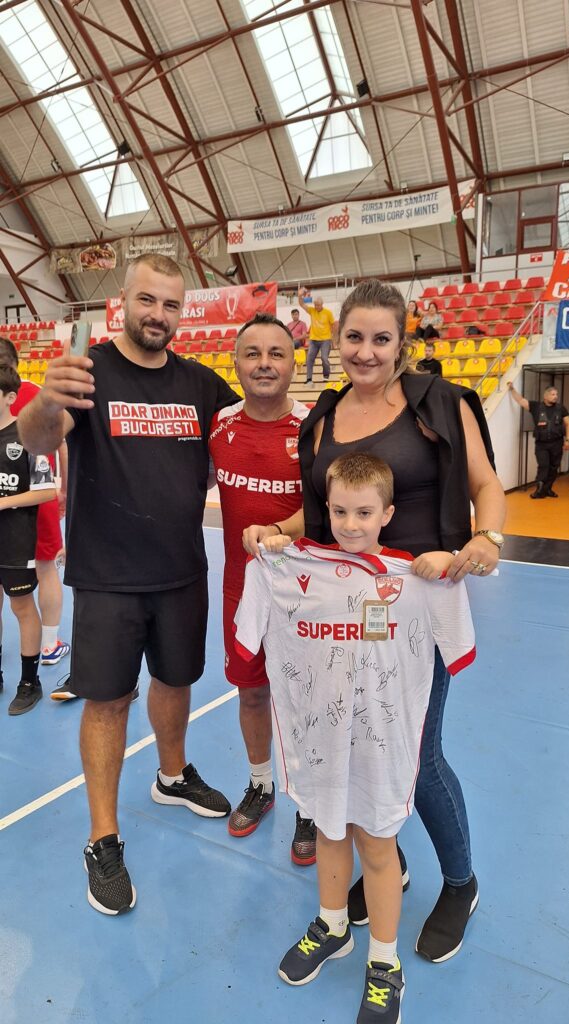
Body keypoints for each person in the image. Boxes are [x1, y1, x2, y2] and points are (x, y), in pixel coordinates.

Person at [243, 278, 506, 963]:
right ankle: (392, 861)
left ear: (401, 342)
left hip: (418, 606)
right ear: (338, 341)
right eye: (354, 337)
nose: (366, 351)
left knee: (416, 755)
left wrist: (485, 539)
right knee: (358, 744)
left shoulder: (440, 403)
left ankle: (461, 882)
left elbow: (485, 485)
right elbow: (320, 509)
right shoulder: (324, 418)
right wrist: (276, 531)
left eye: (380, 338)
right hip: (341, 613)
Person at [18, 253, 239, 915]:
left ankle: (171, 776)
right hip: (109, 577)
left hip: (181, 571)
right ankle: (103, 838)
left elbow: (255, 431)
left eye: (171, 304)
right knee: (108, 702)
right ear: (123, 301)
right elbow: (38, 440)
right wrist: (47, 400)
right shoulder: (88, 373)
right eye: (148, 300)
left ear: (182, 312)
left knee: (176, 681)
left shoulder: (199, 383)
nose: (158, 315)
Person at [235, 453, 476, 1023]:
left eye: (364, 513)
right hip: (319, 740)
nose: (349, 524)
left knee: (377, 845)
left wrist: (450, 568)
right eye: (339, 511)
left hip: (382, 746)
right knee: (328, 830)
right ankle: (334, 924)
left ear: (387, 514)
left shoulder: (418, 580)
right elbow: (248, 638)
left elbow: (459, 647)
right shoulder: (283, 568)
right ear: (325, 508)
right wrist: (270, 546)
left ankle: (385, 964)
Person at [208, 312, 316, 862]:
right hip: (241, 590)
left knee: (305, 700)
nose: (265, 364)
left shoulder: (314, 427)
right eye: (253, 353)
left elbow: (329, 506)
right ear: (236, 363)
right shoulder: (219, 426)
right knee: (251, 693)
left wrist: (278, 530)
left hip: (306, 594)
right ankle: (261, 784)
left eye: (277, 353)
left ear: (294, 362)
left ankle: (310, 803)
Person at [0, 339, 71, 676]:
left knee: (22, 576)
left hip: (24, 494)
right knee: (45, 568)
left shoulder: (30, 394)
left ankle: (39, 649)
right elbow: (61, 444)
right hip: (36, 493)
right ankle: (49, 644)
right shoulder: (37, 392)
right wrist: (64, 488)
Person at [0, 364, 56, 715]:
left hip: (15, 541)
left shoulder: (26, 437)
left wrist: (4, 502)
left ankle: (29, 682)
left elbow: (47, 490)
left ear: (10, 397)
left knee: (21, 607)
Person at [507, 382, 569, 498]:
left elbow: (568, 424)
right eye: (553, 394)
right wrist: (512, 389)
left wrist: (568, 440)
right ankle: (539, 490)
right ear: (545, 396)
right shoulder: (536, 406)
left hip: (557, 443)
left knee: (554, 467)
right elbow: (521, 400)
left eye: (556, 394)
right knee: (543, 465)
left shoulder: (561, 408)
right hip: (542, 444)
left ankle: (547, 489)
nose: (555, 396)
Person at [298, 288, 336, 386]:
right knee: (309, 359)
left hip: (325, 340)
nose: (316, 307)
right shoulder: (312, 311)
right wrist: (300, 296)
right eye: (315, 305)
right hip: (314, 340)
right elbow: (302, 304)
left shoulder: (328, 313)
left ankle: (326, 375)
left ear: (322, 304)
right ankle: (309, 378)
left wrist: (333, 340)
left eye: (318, 305)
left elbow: (333, 325)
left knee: (324, 358)